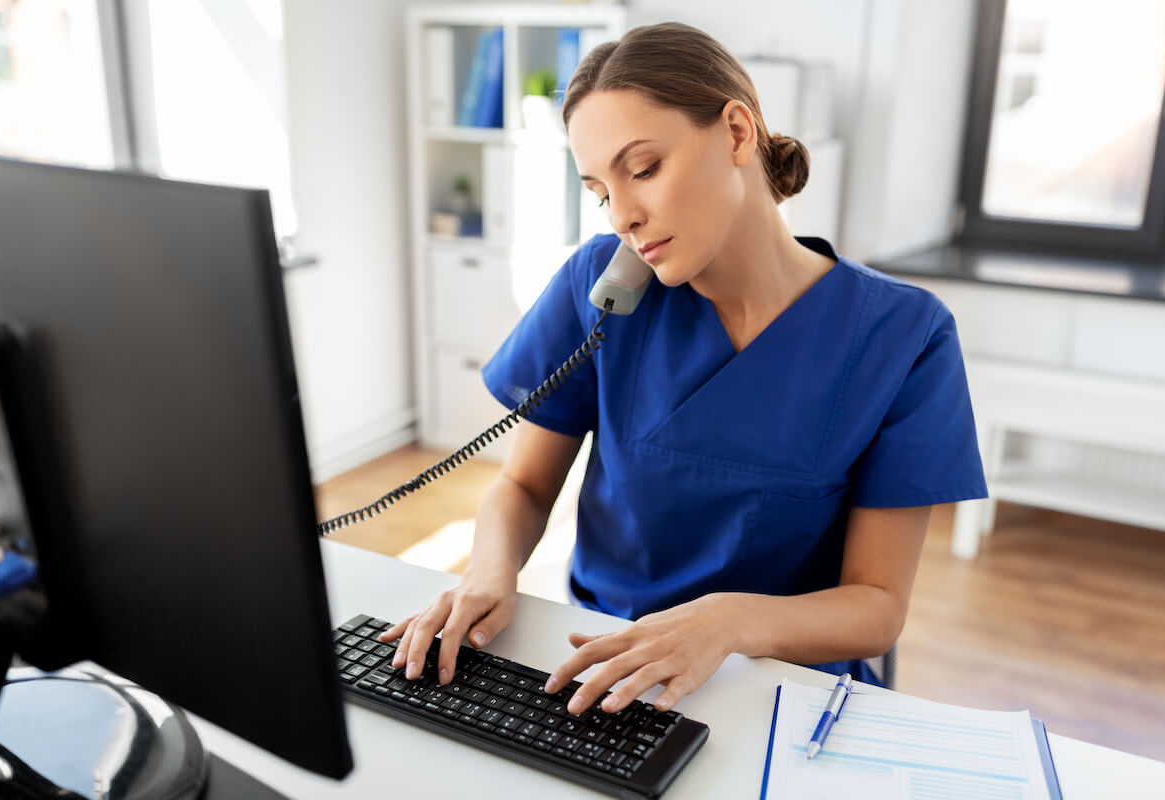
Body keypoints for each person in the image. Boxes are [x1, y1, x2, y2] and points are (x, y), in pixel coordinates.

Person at [382, 22, 987, 716]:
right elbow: (523, 483)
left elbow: (877, 606)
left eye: (642, 169)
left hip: (781, 689)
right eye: (600, 190)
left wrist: (727, 623)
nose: (622, 217)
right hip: (604, 670)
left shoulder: (903, 335)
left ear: (736, 132)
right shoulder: (603, 289)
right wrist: (487, 575)